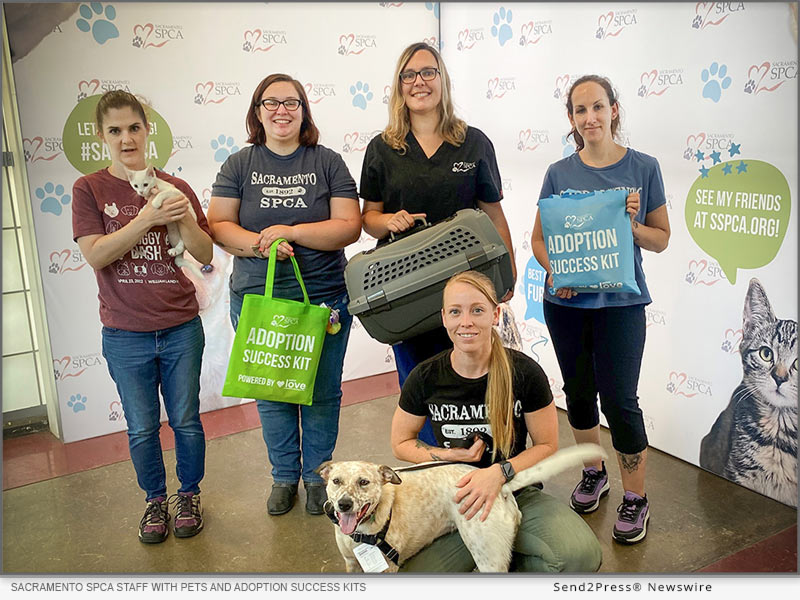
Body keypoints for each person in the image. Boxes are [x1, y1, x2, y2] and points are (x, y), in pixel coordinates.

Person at [207, 73, 361, 517]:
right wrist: (262, 242)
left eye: (291, 102)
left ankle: (318, 477)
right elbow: (219, 226)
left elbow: (347, 226)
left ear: (304, 110)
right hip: (258, 298)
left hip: (324, 296)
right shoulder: (238, 164)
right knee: (271, 391)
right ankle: (283, 477)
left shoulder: (327, 162)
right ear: (257, 112)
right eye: (270, 103)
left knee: (321, 391)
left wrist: (291, 231)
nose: (281, 110)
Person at [531, 74, 671, 544]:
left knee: (621, 401)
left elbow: (662, 239)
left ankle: (636, 498)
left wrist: (631, 226)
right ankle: (594, 472)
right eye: (579, 110)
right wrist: (557, 273)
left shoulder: (644, 168)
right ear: (571, 119)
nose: (589, 118)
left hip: (622, 305)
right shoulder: (558, 173)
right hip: (566, 305)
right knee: (579, 391)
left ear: (614, 109)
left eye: (597, 107)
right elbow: (538, 240)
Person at [390, 271, 602, 572]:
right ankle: (498, 549)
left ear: (495, 313)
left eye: (477, 310)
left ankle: (509, 556)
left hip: (516, 488)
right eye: (455, 312)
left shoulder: (525, 373)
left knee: (579, 556)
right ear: (444, 318)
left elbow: (546, 444)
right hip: (453, 497)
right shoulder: (425, 377)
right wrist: (450, 456)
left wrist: (500, 472)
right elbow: (401, 443)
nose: (466, 322)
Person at [72, 90, 213, 544]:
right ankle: (155, 500)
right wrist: (146, 218)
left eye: (134, 127)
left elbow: (206, 253)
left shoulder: (176, 185)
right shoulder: (89, 189)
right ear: (101, 136)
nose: (126, 138)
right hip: (124, 333)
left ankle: (187, 495)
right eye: (115, 130)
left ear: (147, 129)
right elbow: (96, 255)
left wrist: (184, 218)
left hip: (180, 328)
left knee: (187, 420)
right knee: (141, 427)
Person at [360, 41, 517, 443]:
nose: (419, 82)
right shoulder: (382, 148)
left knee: (474, 381)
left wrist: (508, 274)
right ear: (399, 86)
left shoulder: (474, 142)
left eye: (428, 72)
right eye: (409, 75)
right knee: (419, 386)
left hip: (466, 290)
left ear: (442, 81)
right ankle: (433, 471)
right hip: (406, 293)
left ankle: (484, 468)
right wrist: (387, 221)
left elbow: (493, 215)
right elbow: (368, 219)